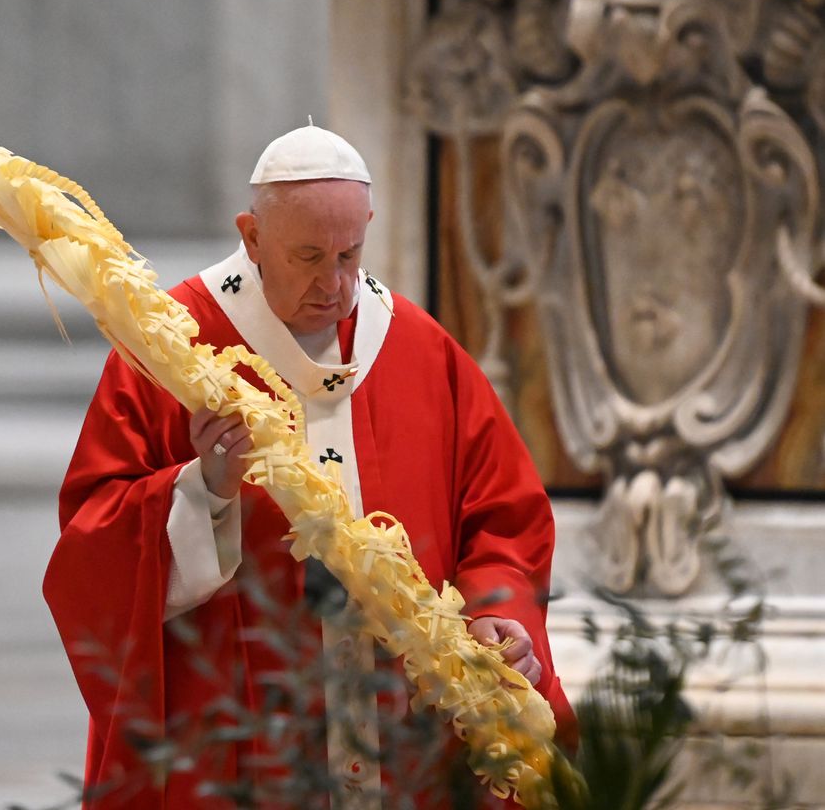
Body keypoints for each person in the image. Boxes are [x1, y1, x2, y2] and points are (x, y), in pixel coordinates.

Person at [43, 126, 575, 808]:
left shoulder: (416, 347)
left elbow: (502, 519)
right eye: (308, 257)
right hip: (242, 740)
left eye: (350, 254)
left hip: (401, 741)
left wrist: (499, 609)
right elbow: (93, 548)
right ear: (253, 237)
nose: (335, 285)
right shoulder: (169, 342)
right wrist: (203, 489)